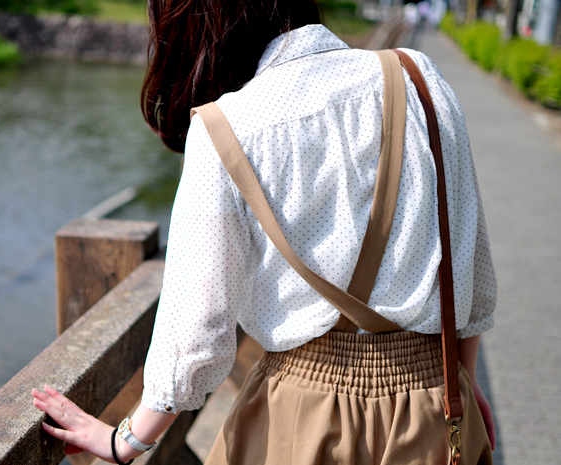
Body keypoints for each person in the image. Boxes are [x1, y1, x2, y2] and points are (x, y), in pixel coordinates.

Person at [32, 0, 497, 463]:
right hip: (434, 403)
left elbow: (195, 335)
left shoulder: (223, 128)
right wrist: (462, 380)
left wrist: (126, 441)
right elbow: (468, 252)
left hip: (299, 416)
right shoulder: (418, 76)